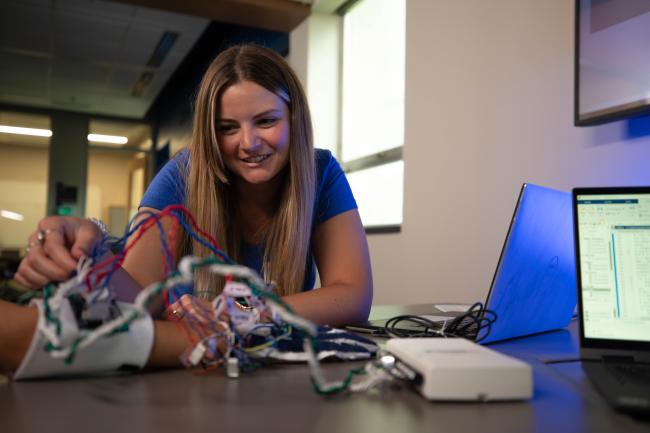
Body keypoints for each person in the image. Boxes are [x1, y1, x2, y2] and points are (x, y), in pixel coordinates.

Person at [0, 44, 373, 374]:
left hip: (274, 370)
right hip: (192, 373)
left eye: (266, 121)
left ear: (295, 117)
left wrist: (246, 310)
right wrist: (90, 252)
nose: (248, 143)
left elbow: (353, 297)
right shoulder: (182, 174)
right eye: (227, 128)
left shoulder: (321, 171)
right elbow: (138, 300)